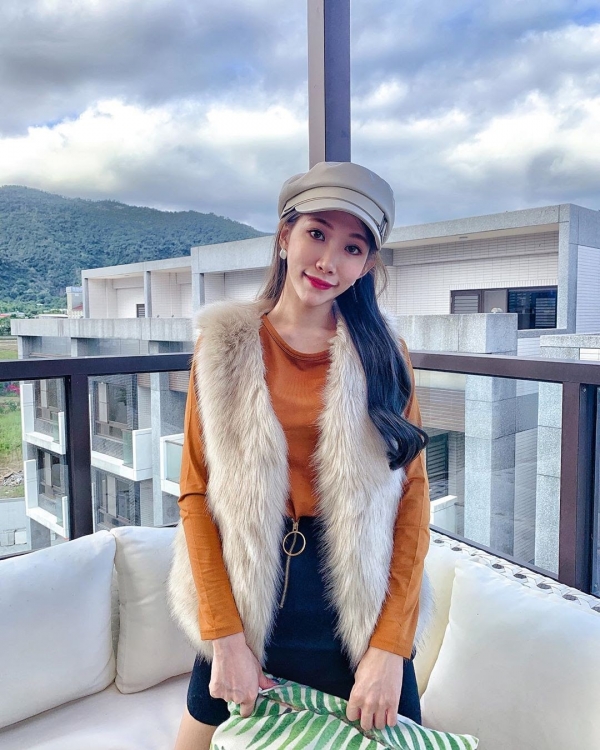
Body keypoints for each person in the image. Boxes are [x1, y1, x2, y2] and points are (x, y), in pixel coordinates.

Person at [169, 161, 432, 750]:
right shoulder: (223, 347)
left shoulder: (385, 355)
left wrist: (391, 646)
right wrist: (225, 638)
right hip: (247, 585)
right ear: (285, 235)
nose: (329, 261)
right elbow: (195, 494)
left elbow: (412, 500)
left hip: (357, 596)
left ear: (367, 265)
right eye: (317, 233)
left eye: (353, 247)